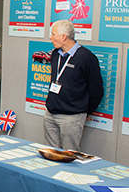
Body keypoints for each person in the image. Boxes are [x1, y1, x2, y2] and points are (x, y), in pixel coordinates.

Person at [44, 20, 103, 151]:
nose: (51, 37)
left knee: (69, 155)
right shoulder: (55, 54)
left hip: (72, 117)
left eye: (53, 34)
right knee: (50, 154)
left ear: (63, 37)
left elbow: (97, 91)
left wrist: (85, 111)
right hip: (50, 113)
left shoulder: (86, 57)